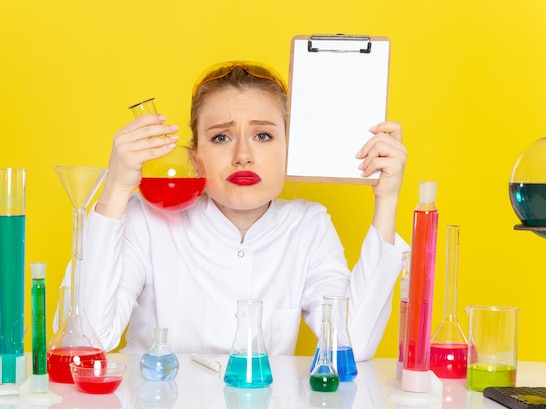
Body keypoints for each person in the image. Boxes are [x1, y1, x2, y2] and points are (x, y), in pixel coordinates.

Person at [74, 61, 409, 361]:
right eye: (221, 137)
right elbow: (89, 338)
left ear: (291, 150)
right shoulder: (146, 219)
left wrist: (387, 199)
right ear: (194, 156)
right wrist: (116, 188)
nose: (243, 155)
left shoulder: (308, 227)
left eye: (263, 135)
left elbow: (353, 343)